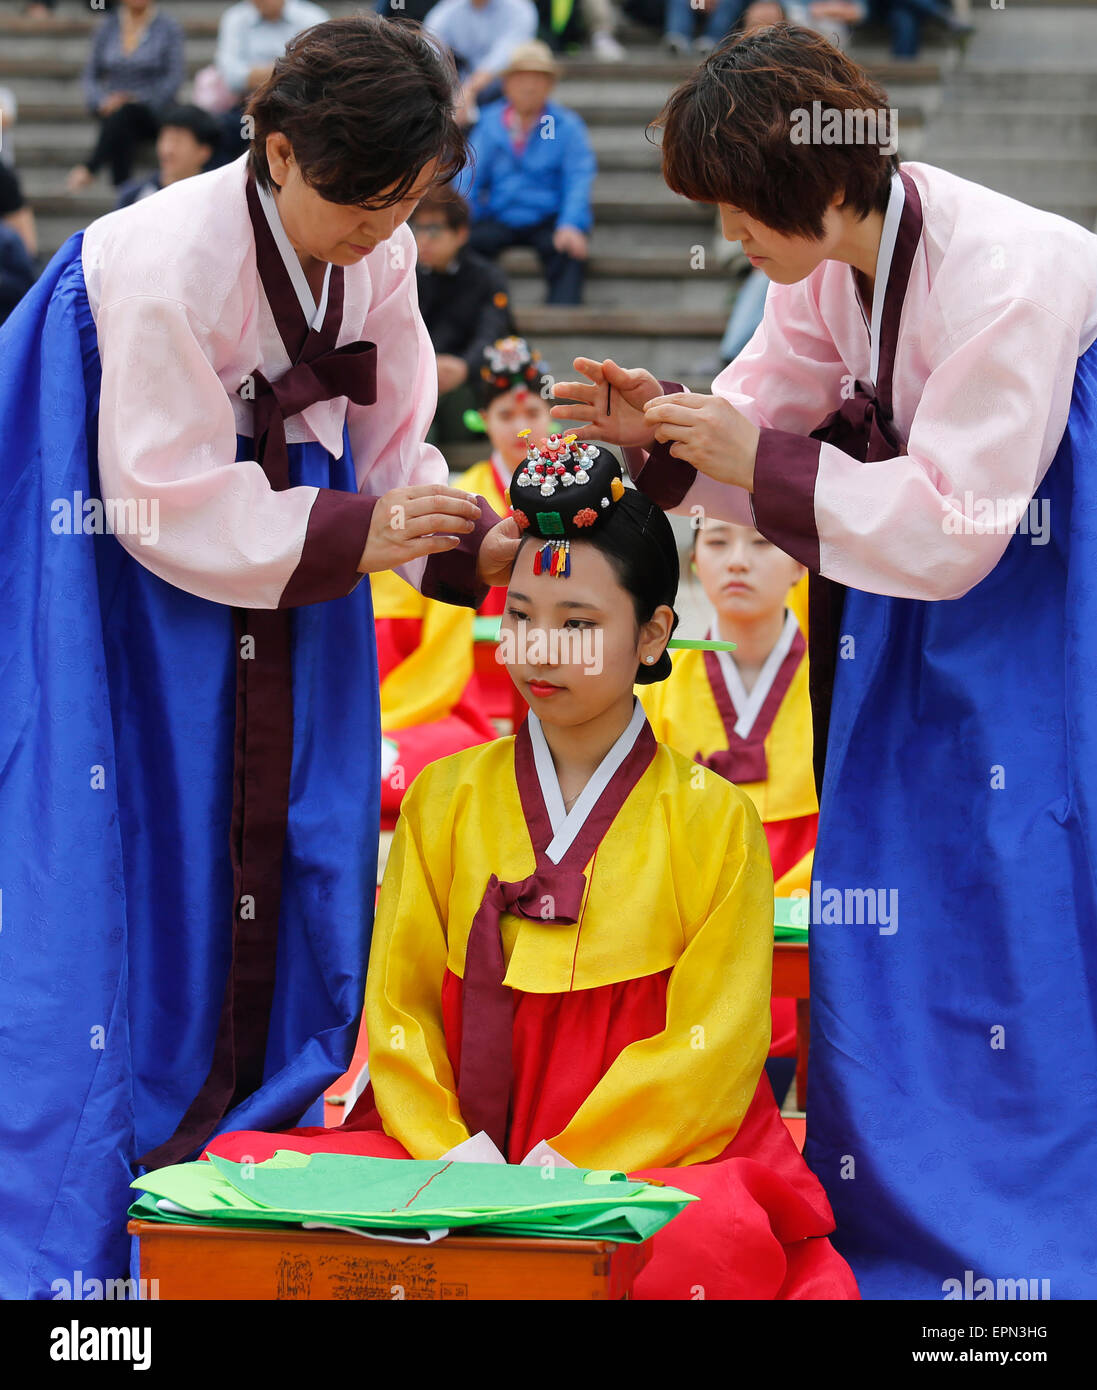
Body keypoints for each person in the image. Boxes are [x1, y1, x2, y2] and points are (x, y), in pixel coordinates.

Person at [551, 23, 1097, 1298]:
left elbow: (962, 526)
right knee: (900, 851)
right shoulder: (829, 258)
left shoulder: (1004, 272)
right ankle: (912, 1186)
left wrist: (758, 460)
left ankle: (1026, 1217)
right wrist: (667, 434)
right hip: (910, 561)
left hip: (1035, 548)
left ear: (819, 190)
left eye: (743, 213)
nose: (732, 240)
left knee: (1019, 861)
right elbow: (767, 404)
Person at [0, 14, 520, 1301]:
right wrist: (357, 525)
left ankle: (276, 1094)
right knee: (143, 815)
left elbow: (397, 440)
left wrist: (457, 541)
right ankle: (126, 1128)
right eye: (358, 196)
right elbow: (161, 496)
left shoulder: (379, 241)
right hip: (120, 525)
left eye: (406, 200)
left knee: (304, 806)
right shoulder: (167, 260)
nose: (380, 227)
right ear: (275, 152)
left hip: (292, 523)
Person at [204, 438, 860, 1301]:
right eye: (519, 616)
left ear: (654, 631)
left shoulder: (715, 821)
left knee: (701, 1241)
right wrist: (458, 1157)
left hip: (639, 1153)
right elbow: (397, 1014)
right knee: (252, 1189)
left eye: (578, 624)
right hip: (453, 1145)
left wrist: (560, 1172)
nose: (539, 649)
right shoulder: (444, 798)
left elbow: (713, 1048)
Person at [639, 517, 813, 1098]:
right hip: (693, 904)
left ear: (799, 565)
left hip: (810, 891)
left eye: (764, 543)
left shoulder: (839, 675)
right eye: (717, 542)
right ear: (695, 562)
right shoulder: (653, 683)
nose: (738, 560)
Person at [457, 336, 556, 724]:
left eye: (532, 412)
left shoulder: (579, 487)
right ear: (483, 419)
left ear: (550, 412)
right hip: (477, 656)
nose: (521, 427)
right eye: (505, 416)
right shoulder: (466, 491)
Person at [460, 41, 596, 307]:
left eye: (538, 78)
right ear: (507, 83)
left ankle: (563, 324)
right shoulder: (489, 122)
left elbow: (578, 178)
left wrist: (571, 223)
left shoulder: (567, 126)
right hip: (498, 215)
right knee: (463, 248)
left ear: (550, 85)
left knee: (569, 251)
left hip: (547, 218)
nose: (529, 86)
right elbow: (469, 175)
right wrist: (459, 219)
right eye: (522, 77)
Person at [372, 564, 497, 829]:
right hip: (341, 726)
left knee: (465, 765)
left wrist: (377, 730)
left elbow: (441, 675)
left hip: (426, 715)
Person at [411, 186, 516, 443]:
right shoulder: (407, 276)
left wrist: (464, 366)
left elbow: (494, 333)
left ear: (461, 233)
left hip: (468, 385)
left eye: (434, 230)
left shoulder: (487, 278)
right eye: (418, 229)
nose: (423, 239)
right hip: (419, 380)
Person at [66, 0, 185, 191]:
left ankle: (92, 167)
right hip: (113, 109)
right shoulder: (107, 26)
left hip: (153, 110)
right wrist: (101, 100)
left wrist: (135, 99)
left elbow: (173, 79)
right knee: (121, 120)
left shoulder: (168, 27)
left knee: (124, 114)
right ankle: (123, 188)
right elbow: (90, 75)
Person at [209, 0, 330, 164]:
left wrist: (256, 74)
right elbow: (232, 76)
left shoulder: (311, 17)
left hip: (299, 108)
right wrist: (287, 68)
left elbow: (316, 72)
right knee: (218, 134)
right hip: (248, 110)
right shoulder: (236, 18)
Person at [423, 0, 538, 125]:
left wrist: (470, 89)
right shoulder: (449, 8)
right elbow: (429, 47)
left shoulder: (519, 8)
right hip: (458, 89)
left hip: (504, 94)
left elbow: (505, 55)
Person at [115, 104, 221, 208]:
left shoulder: (216, 200)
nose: (168, 149)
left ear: (204, 151)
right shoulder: (133, 197)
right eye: (165, 139)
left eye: (178, 141)